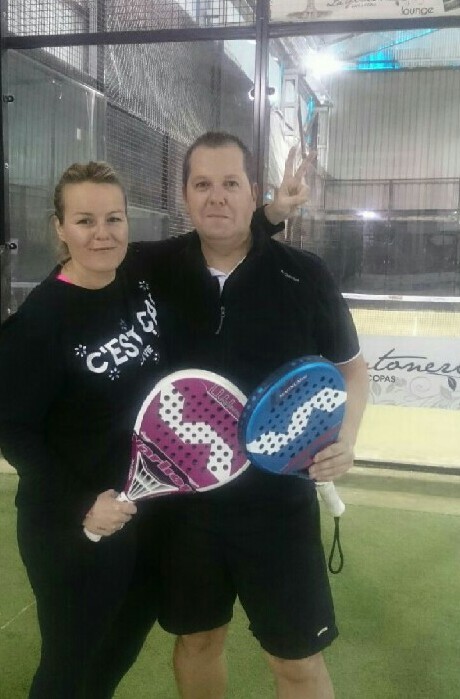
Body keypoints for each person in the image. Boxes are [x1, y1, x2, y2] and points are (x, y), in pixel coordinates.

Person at [0, 153, 308, 698]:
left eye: (113, 218)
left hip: (144, 511)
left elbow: (214, 237)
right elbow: (13, 431)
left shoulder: (136, 274)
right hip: (76, 525)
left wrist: (273, 213)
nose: (102, 234)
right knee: (71, 666)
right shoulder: (40, 321)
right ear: (60, 228)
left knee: (116, 653)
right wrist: (82, 502)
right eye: (84, 221)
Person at [151, 132, 370, 699]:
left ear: (254, 192)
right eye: (203, 184)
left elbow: (352, 371)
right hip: (187, 507)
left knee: (296, 663)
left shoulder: (305, 275)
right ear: (184, 195)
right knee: (198, 641)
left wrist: (345, 439)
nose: (216, 197)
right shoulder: (154, 269)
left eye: (231, 183)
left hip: (279, 507)